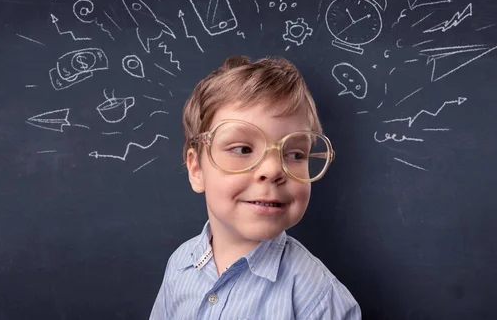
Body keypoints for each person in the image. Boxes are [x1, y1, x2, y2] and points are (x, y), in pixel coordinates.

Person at [150, 55, 361, 319]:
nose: (272, 170)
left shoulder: (319, 300)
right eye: (242, 149)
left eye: (295, 154)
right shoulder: (180, 264)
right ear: (196, 169)